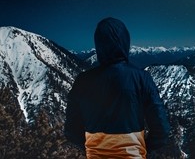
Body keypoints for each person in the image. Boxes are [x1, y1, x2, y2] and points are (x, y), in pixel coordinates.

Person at [64, 17, 171, 158]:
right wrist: (142, 148)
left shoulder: (82, 81)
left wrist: (91, 148)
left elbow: (71, 130)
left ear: (98, 45)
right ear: (125, 42)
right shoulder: (141, 79)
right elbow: (161, 129)